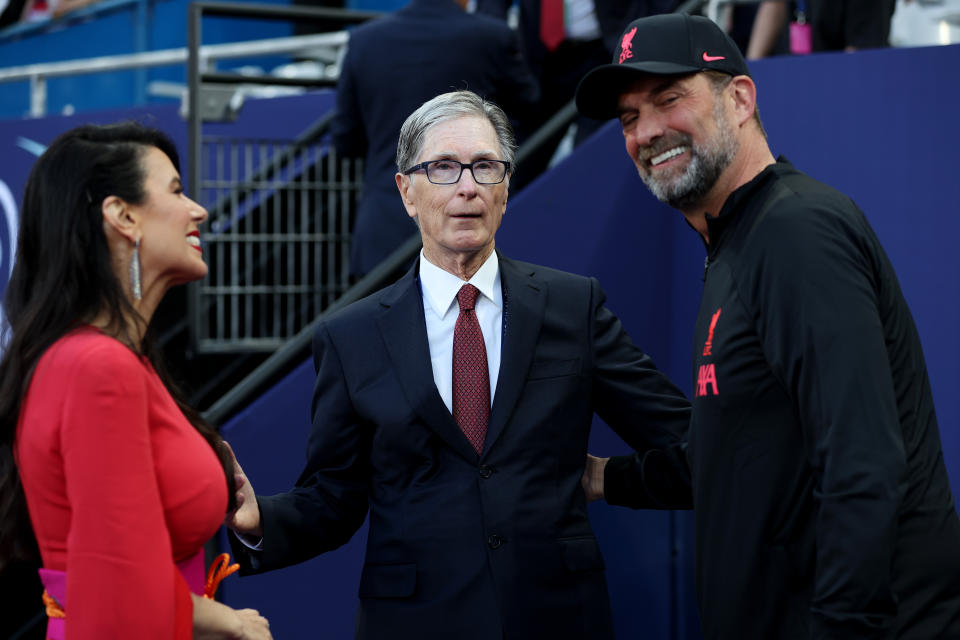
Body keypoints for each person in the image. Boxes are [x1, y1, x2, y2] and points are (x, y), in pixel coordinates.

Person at [226, 89, 692, 639]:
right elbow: (335, 495)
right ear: (406, 192)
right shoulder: (350, 335)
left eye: (485, 167)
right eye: (444, 167)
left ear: (506, 185)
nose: (467, 186)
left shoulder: (573, 307)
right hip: (413, 623)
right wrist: (260, 522)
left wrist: (612, 479)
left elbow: (690, 445)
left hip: (558, 619)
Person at [575, 12, 960, 639]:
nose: (647, 131)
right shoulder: (734, 243)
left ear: (741, 98)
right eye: (628, 117)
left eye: (669, 99)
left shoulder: (793, 231)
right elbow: (733, 462)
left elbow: (861, 464)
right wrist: (598, 477)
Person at [0, 122, 273, 639]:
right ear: (122, 217)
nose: (198, 209)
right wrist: (229, 622)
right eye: (175, 190)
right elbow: (119, 578)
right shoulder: (98, 368)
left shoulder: (103, 359)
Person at [331, 0, 539, 277]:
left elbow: (345, 140)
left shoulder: (364, 40)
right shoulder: (491, 36)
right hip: (470, 230)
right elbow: (531, 113)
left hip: (383, 234)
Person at [474, 0, 681, 189]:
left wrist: (648, 36)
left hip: (605, 53)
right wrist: (495, 37)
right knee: (515, 162)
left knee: (589, 158)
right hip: (540, 61)